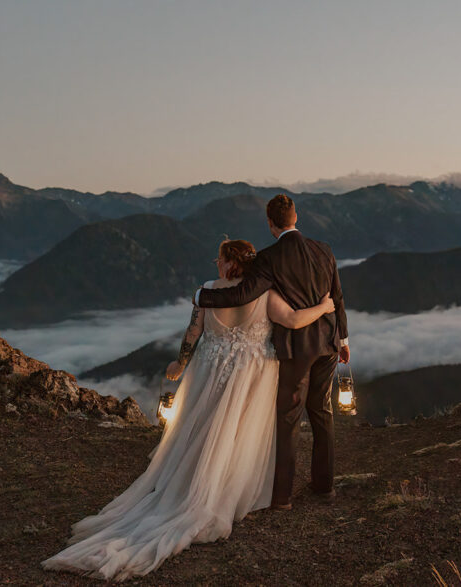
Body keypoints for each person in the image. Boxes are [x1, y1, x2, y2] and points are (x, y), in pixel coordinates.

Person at [41, 238, 334, 581]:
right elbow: (296, 320)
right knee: (236, 433)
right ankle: (224, 484)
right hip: (251, 374)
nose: (215, 263)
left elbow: (193, 332)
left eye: (219, 258)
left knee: (201, 427)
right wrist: (326, 307)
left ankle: (189, 483)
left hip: (210, 371)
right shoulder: (265, 293)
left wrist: (180, 365)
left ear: (228, 263)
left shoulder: (207, 291)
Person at [195, 194, 349, 510]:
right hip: (328, 343)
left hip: (297, 347)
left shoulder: (269, 258)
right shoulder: (324, 249)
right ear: (296, 217)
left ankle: (281, 498)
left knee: (288, 419)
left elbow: (242, 294)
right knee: (322, 413)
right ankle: (324, 487)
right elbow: (338, 297)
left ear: (270, 223)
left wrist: (202, 296)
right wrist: (344, 340)